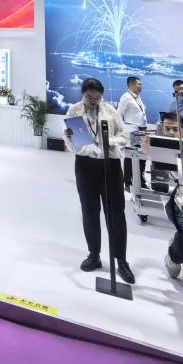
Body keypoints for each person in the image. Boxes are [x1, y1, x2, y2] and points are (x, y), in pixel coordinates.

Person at [64, 78, 134, 284]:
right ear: (83, 94)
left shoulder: (110, 111)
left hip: (110, 165)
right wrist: (69, 135)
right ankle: (94, 255)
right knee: (89, 211)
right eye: (89, 97)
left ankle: (121, 261)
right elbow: (72, 142)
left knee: (116, 214)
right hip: (85, 165)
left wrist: (111, 141)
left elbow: (123, 134)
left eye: (97, 97)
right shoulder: (74, 110)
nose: (93, 101)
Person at [116, 76, 148, 191]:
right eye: (139, 84)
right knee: (130, 156)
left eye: (141, 84)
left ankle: (140, 180)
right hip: (133, 132)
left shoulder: (137, 97)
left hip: (142, 131)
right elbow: (118, 115)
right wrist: (122, 131)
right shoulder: (126, 97)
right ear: (131, 85)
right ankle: (127, 182)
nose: (141, 86)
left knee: (143, 156)